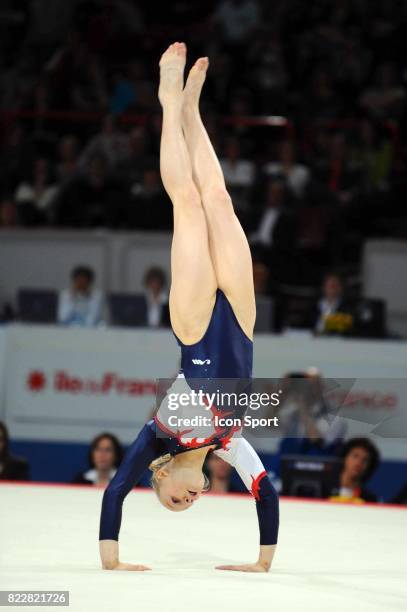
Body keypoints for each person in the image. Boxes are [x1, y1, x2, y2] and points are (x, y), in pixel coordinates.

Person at [99, 43, 279, 573]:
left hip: (196, 327)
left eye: (174, 499)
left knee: (190, 204)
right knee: (219, 198)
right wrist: (261, 564)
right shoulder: (229, 442)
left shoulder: (159, 434)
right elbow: (266, 494)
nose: (189, 500)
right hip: (242, 324)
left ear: (159, 476)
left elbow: (113, 491)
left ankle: (166, 100)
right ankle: (193, 109)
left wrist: (111, 561)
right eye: (189, 505)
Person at [334, 437, 380, 503]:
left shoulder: (369, 499)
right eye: (355, 456)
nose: (359, 463)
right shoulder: (323, 489)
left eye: (365, 460)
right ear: (344, 458)